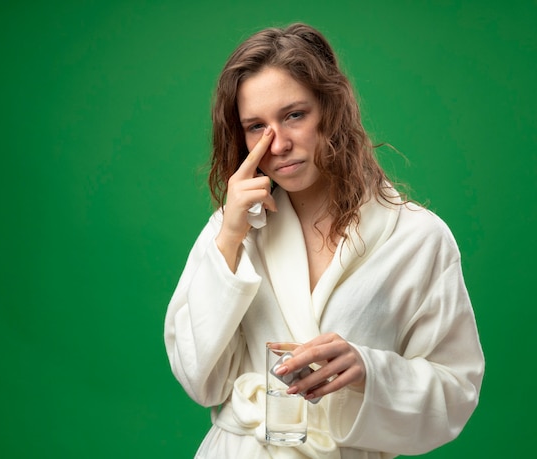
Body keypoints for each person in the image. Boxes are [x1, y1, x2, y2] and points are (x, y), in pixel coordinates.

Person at [164, 23, 484, 459]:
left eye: (294, 114)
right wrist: (230, 237)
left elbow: (455, 392)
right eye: (257, 126)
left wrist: (368, 370)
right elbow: (200, 380)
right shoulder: (233, 228)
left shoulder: (417, 238)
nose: (277, 143)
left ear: (331, 110)